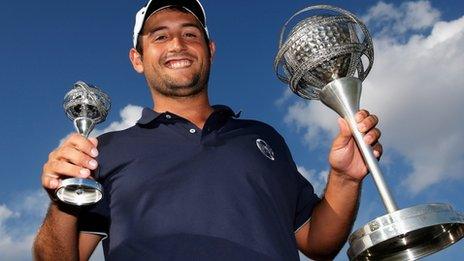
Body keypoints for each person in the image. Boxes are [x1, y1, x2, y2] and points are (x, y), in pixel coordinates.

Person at [33, 0, 382, 260]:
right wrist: (62, 201)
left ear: (210, 50)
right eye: (160, 36)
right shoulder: (102, 151)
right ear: (137, 59)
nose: (177, 45)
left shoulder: (263, 138)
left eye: (190, 34)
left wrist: (345, 179)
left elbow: (317, 243)